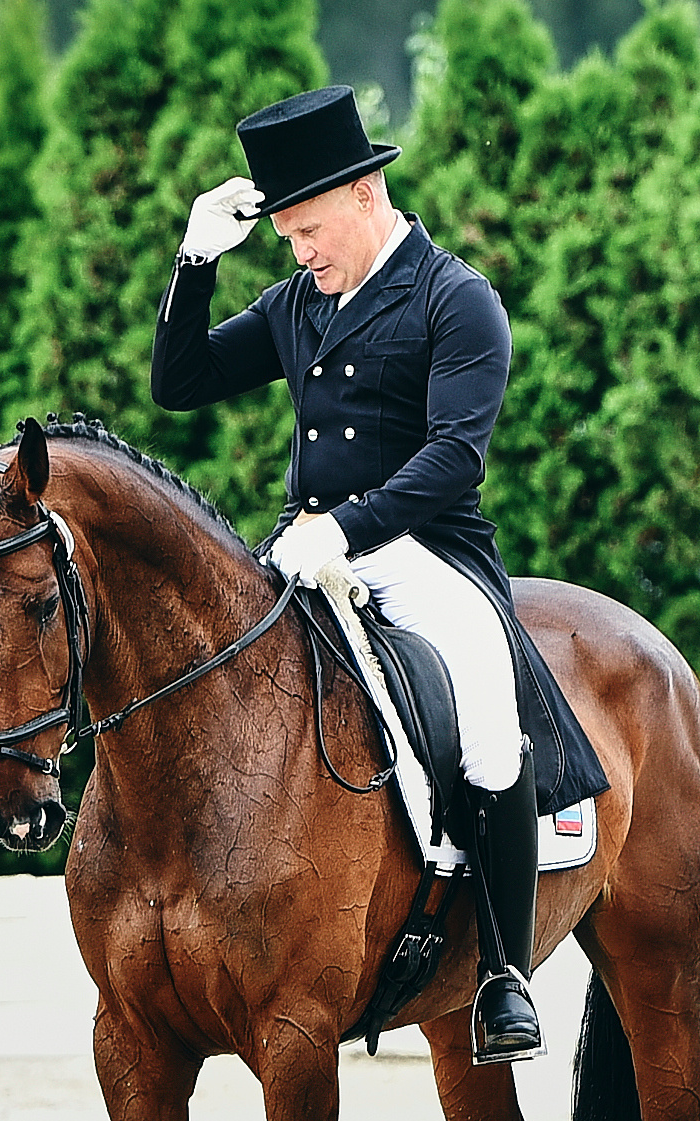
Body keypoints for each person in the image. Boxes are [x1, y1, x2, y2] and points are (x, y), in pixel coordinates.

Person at [151, 84, 607, 1065]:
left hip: (424, 550)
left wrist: (348, 529)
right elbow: (178, 384)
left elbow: (455, 456)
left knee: (486, 716)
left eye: (309, 230)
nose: (300, 252)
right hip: (304, 543)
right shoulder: (296, 306)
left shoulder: (455, 298)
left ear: (365, 194)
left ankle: (502, 974)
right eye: (284, 239)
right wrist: (195, 259)